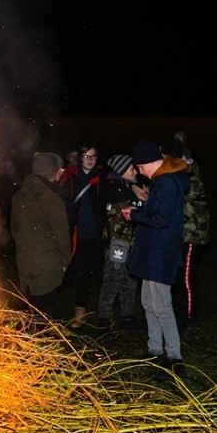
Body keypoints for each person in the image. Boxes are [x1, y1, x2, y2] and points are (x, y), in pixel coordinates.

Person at [122, 139, 189, 380]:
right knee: (148, 302)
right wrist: (139, 212)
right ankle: (154, 349)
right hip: (152, 252)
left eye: (140, 167)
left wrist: (135, 215)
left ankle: (174, 355)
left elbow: (161, 219)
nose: (140, 172)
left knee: (161, 305)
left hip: (162, 253)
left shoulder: (168, 182)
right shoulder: (161, 181)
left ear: (149, 162)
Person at [10, 152, 71, 319]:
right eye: (60, 170)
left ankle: (29, 341)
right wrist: (65, 261)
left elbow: (14, 230)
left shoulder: (17, 196)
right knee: (44, 315)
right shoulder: (52, 200)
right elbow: (62, 236)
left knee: (30, 313)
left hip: (24, 264)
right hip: (48, 268)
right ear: (54, 171)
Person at [162, 137, 210, 334]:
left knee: (186, 277)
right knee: (183, 276)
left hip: (192, 233)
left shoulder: (188, 176)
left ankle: (190, 318)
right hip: (184, 232)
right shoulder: (183, 173)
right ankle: (183, 312)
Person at [59, 142, 106, 328]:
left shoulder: (103, 178)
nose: (90, 160)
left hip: (99, 236)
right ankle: (80, 313)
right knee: (81, 275)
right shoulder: (70, 178)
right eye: (86, 156)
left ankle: (105, 314)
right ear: (79, 158)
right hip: (79, 237)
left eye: (93, 156)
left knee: (103, 276)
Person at [96, 154, 145, 332]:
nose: (136, 171)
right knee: (112, 280)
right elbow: (129, 209)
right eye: (131, 168)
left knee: (129, 281)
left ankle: (127, 317)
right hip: (118, 244)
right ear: (122, 171)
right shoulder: (115, 187)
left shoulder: (123, 185)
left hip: (129, 243)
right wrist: (140, 199)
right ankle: (103, 318)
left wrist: (134, 188)